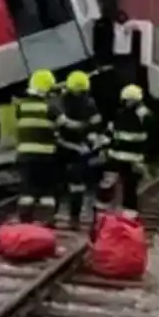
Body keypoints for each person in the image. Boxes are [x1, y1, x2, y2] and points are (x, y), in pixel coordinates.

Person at [54, 70, 103, 228]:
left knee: (63, 184)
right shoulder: (88, 103)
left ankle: (56, 218)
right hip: (75, 148)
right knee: (75, 185)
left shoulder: (61, 102)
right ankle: (72, 218)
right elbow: (95, 124)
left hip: (64, 147)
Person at [13, 69, 62, 223]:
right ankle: (46, 222)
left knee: (27, 191)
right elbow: (64, 126)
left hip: (24, 157)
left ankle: (25, 222)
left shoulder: (21, 107)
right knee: (47, 192)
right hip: (46, 157)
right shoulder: (50, 109)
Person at [105, 84, 152, 215]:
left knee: (123, 189)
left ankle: (122, 215)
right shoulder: (144, 115)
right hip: (130, 160)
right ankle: (128, 217)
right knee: (128, 190)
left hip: (123, 160)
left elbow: (112, 135)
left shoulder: (123, 114)